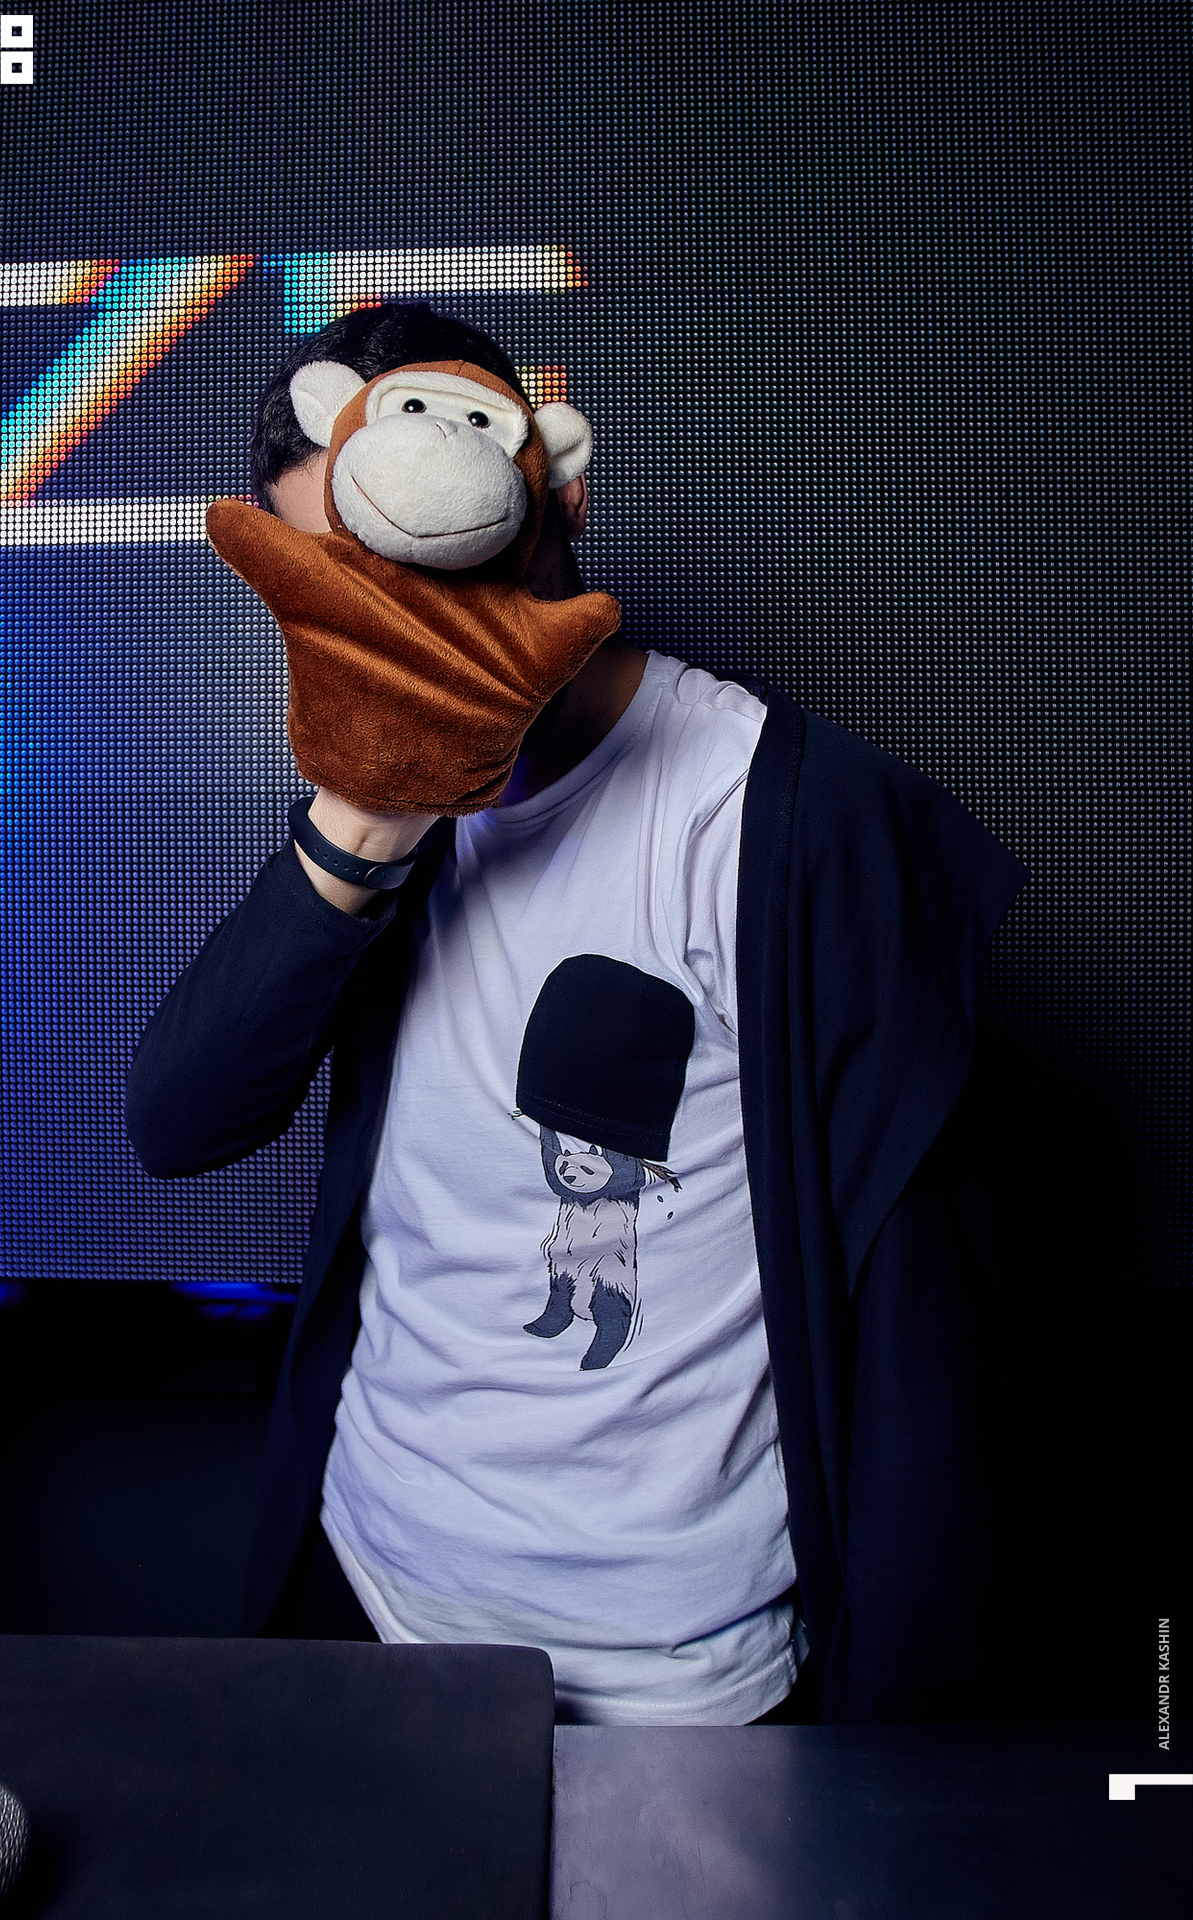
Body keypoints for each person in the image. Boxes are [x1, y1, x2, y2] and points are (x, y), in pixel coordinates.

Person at [126, 304, 1025, 1725]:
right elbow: (179, 1121)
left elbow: (929, 1357)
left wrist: (902, 1765)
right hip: (368, 1597)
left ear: (556, 496)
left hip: (680, 1681)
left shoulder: (778, 816)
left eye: (430, 554)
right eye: (346, 582)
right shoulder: (383, 820)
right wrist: (366, 823)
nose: (399, 613)